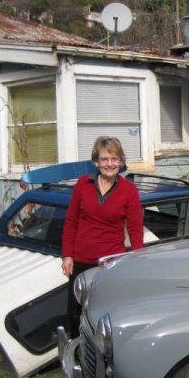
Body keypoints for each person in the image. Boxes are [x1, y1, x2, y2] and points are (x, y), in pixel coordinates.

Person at [61, 136, 144, 338]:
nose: (110, 164)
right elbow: (71, 221)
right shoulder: (83, 184)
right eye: (105, 159)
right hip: (80, 260)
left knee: (104, 314)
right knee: (75, 313)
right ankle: (76, 357)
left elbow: (135, 228)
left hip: (110, 263)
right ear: (96, 162)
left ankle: (103, 357)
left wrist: (137, 259)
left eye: (115, 159)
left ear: (121, 162)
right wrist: (67, 255)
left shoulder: (129, 191)